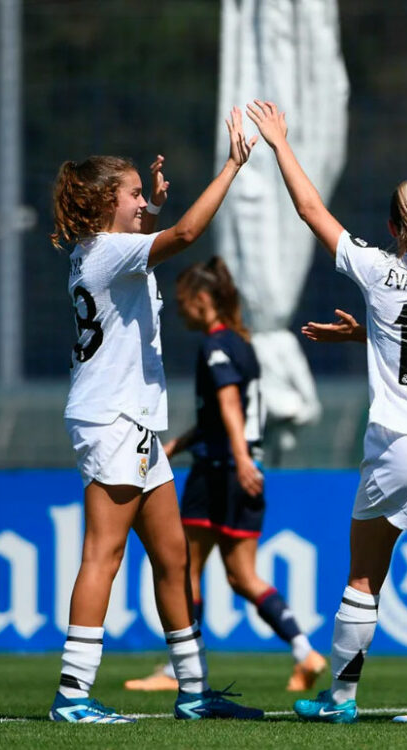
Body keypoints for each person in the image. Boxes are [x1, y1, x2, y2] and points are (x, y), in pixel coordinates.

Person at [248, 99, 407, 727]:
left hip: (402, 440)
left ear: (394, 230)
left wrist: (282, 145)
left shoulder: (381, 272)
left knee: (364, 576)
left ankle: (340, 698)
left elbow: (312, 212)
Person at [49, 109, 262, 723]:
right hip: (111, 418)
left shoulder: (108, 250)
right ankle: (72, 695)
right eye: (135, 193)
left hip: (135, 421)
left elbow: (154, 245)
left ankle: (193, 692)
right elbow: (188, 238)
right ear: (102, 206)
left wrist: (154, 213)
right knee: (103, 555)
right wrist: (231, 167)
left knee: (173, 558)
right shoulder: (107, 251)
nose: (145, 200)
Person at [123, 256, 327, 694]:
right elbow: (223, 412)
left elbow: (230, 403)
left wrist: (235, 454)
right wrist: (180, 445)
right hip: (244, 466)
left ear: (202, 299)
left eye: (183, 302)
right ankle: (304, 651)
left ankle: (182, 667)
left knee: (184, 570)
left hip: (220, 471)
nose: (179, 311)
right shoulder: (242, 342)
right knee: (243, 577)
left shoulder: (216, 344)